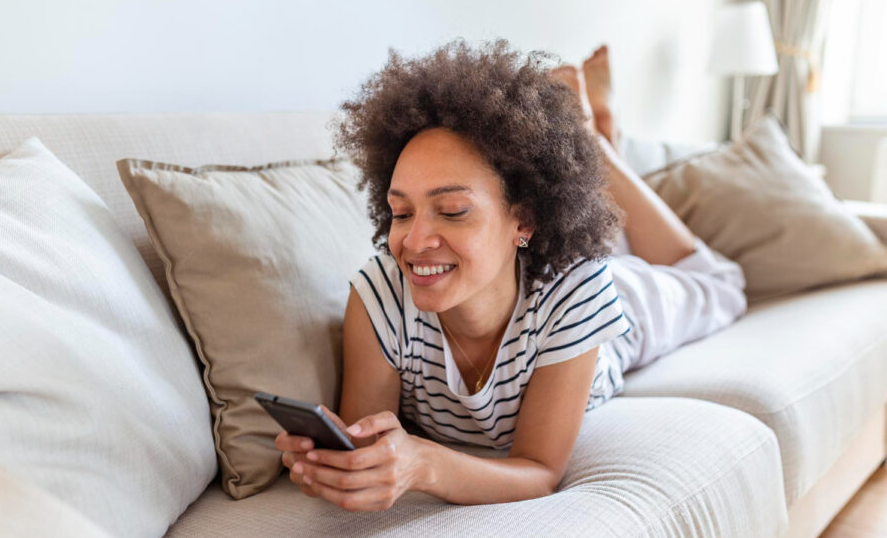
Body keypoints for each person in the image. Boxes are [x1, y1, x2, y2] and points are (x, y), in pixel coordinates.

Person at [275, 38, 747, 511]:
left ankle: (596, 141)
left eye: (452, 211)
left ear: (523, 219)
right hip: (518, 264)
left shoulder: (580, 288)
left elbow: (539, 472)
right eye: (401, 213)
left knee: (721, 284)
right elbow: (370, 447)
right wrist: (335, 468)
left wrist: (424, 465)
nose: (414, 243)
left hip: (613, 303)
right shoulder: (380, 295)